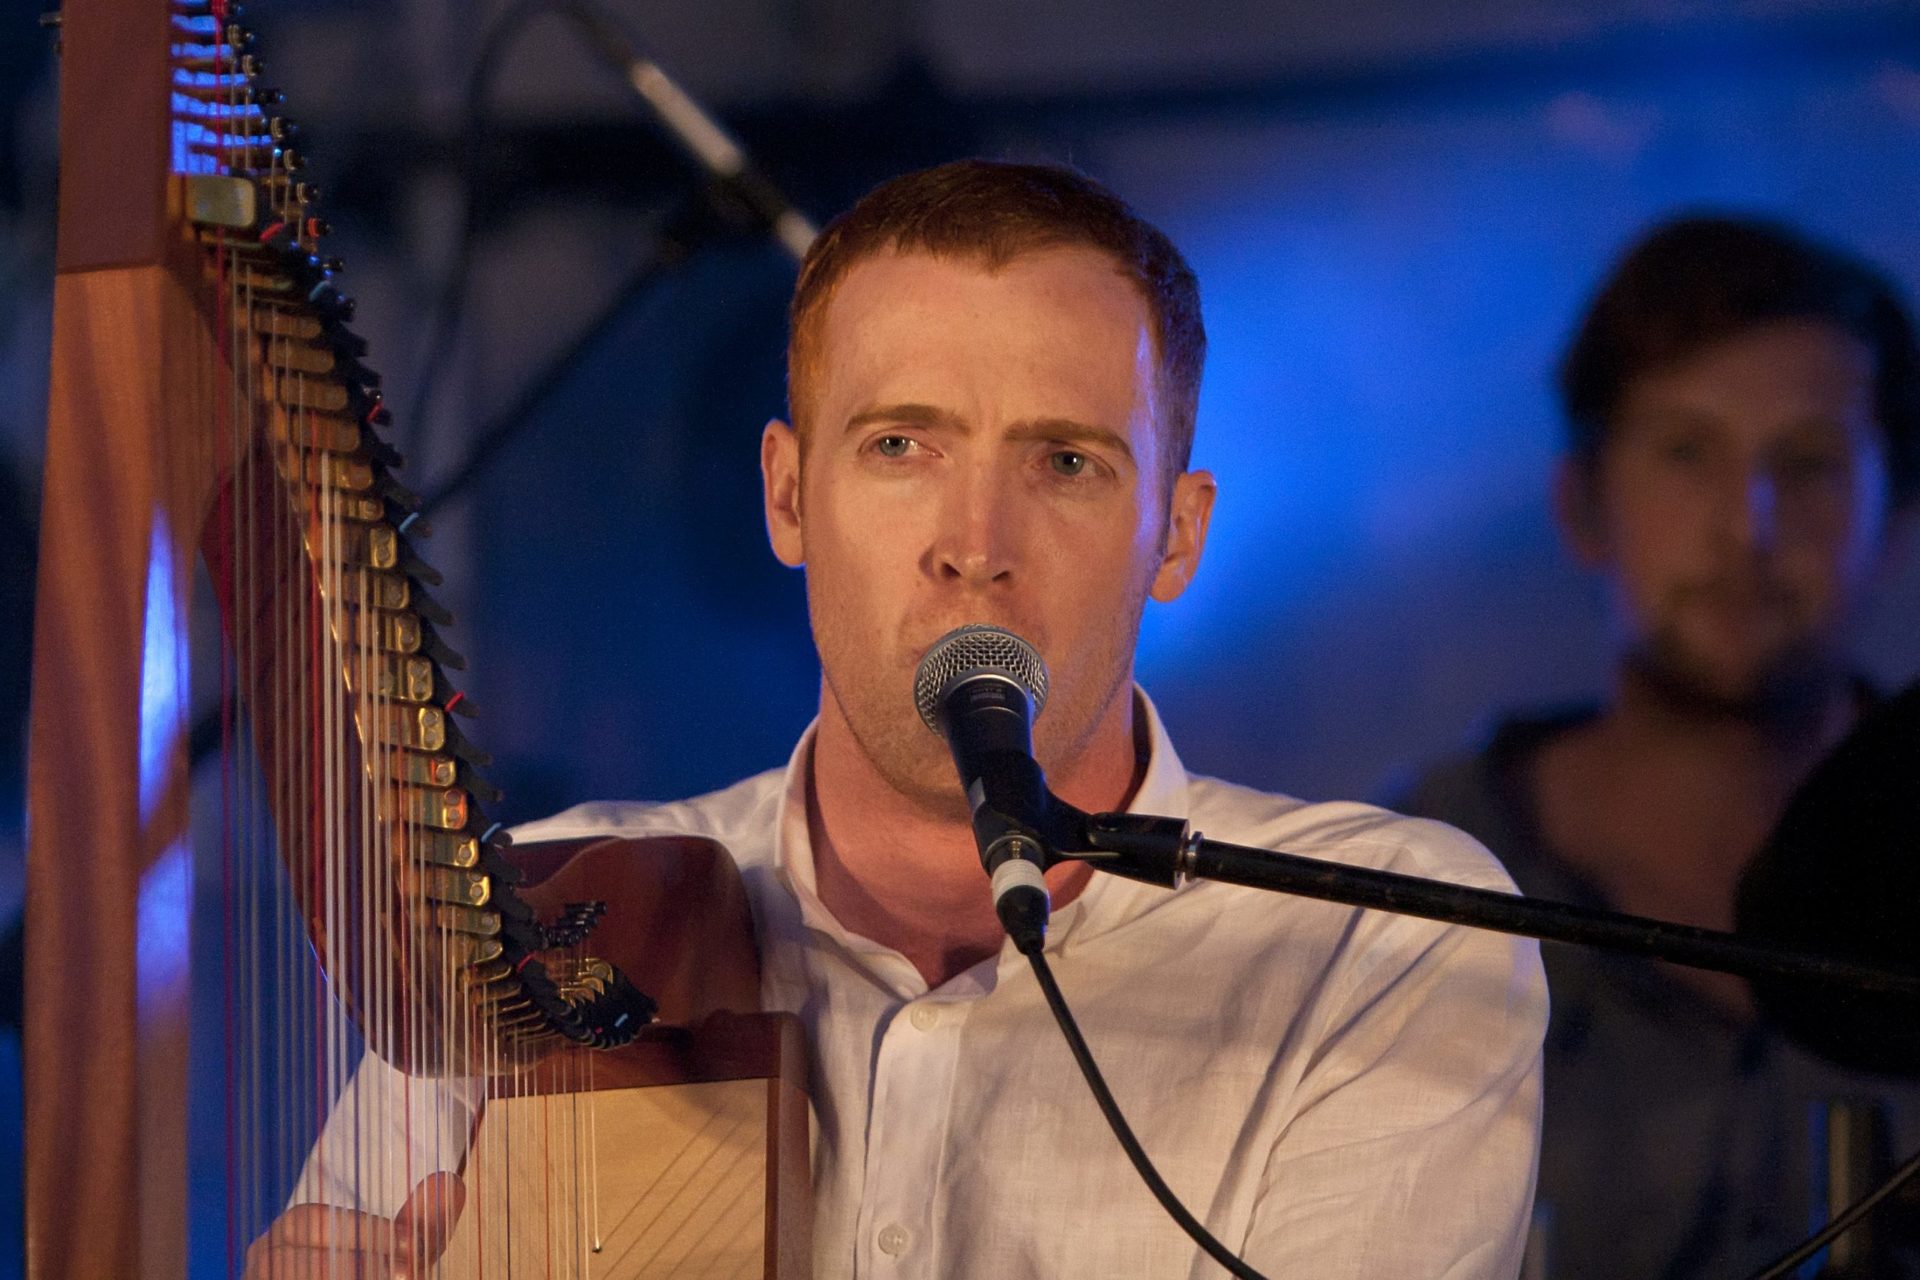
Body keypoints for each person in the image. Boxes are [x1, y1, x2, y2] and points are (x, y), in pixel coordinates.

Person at [249, 159, 1546, 1279]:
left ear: (1177, 532)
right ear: (788, 495)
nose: (974, 548)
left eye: (1066, 462)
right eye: (900, 448)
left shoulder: (1379, 938)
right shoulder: (547, 918)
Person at [1391, 215, 1920, 1280]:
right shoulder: (1408, 880)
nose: (1749, 524)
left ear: (1896, 513)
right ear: (1582, 503)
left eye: (1809, 462)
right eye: (1686, 451)